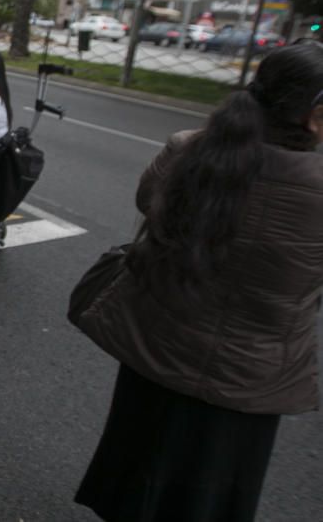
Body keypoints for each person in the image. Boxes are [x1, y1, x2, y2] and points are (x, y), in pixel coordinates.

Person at [72, 42, 323, 522]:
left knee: (137, 478)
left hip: (157, 351)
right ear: (314, 117)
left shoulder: (191, 154)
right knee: (209, 496)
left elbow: (149, 201)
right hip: (247, 379)